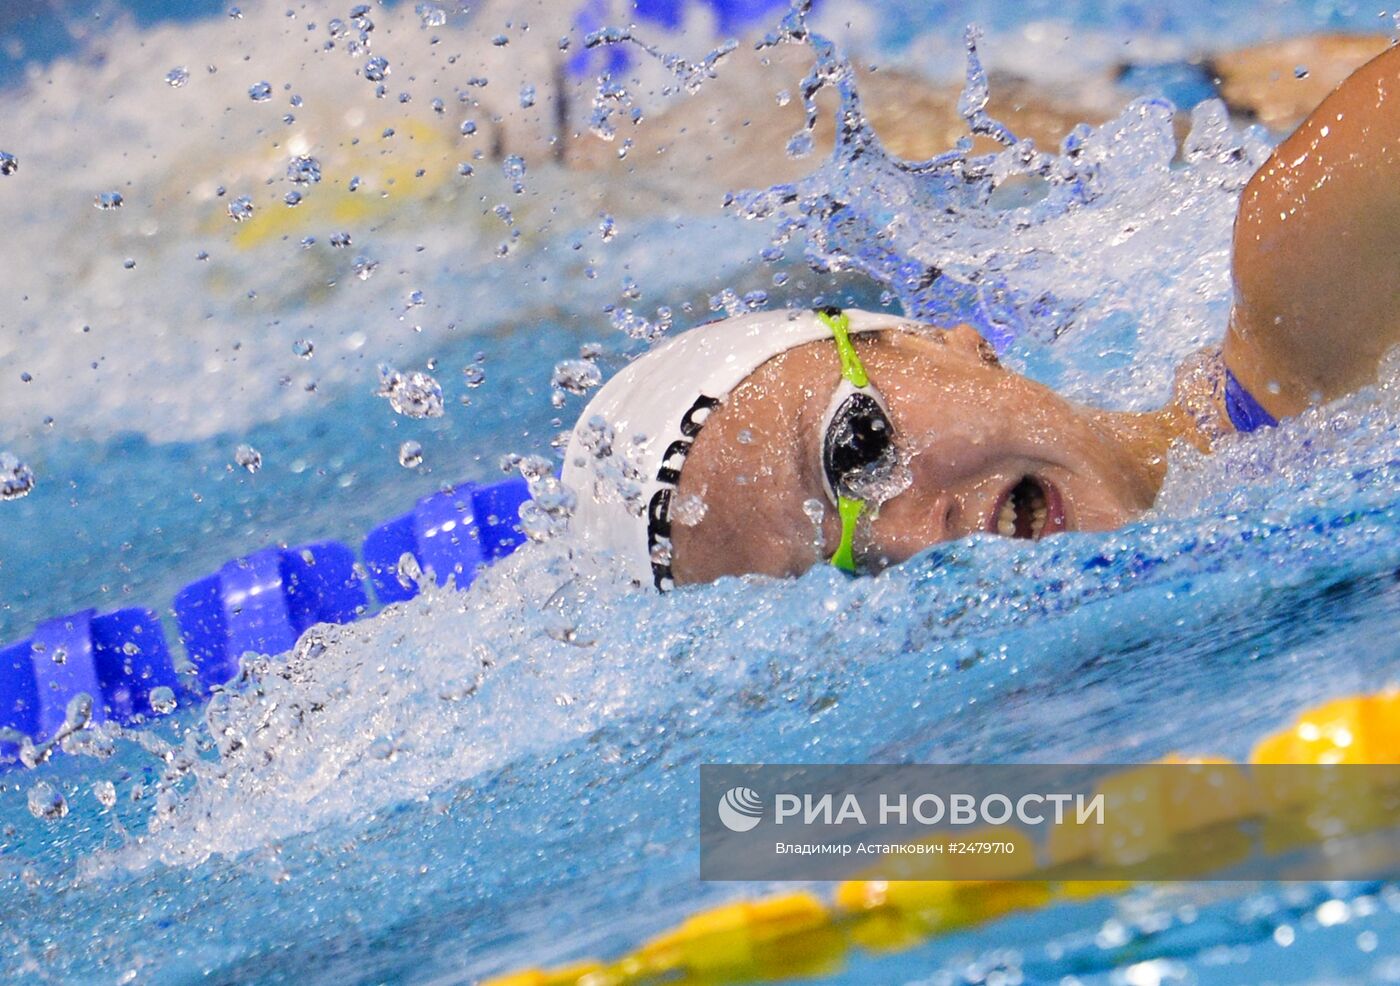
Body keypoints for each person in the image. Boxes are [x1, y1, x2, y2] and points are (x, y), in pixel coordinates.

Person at [562, 43, 1400, 591]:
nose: (912, 539)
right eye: (846, 579)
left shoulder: (1315, 284)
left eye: (858, 448)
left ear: (953, 343)